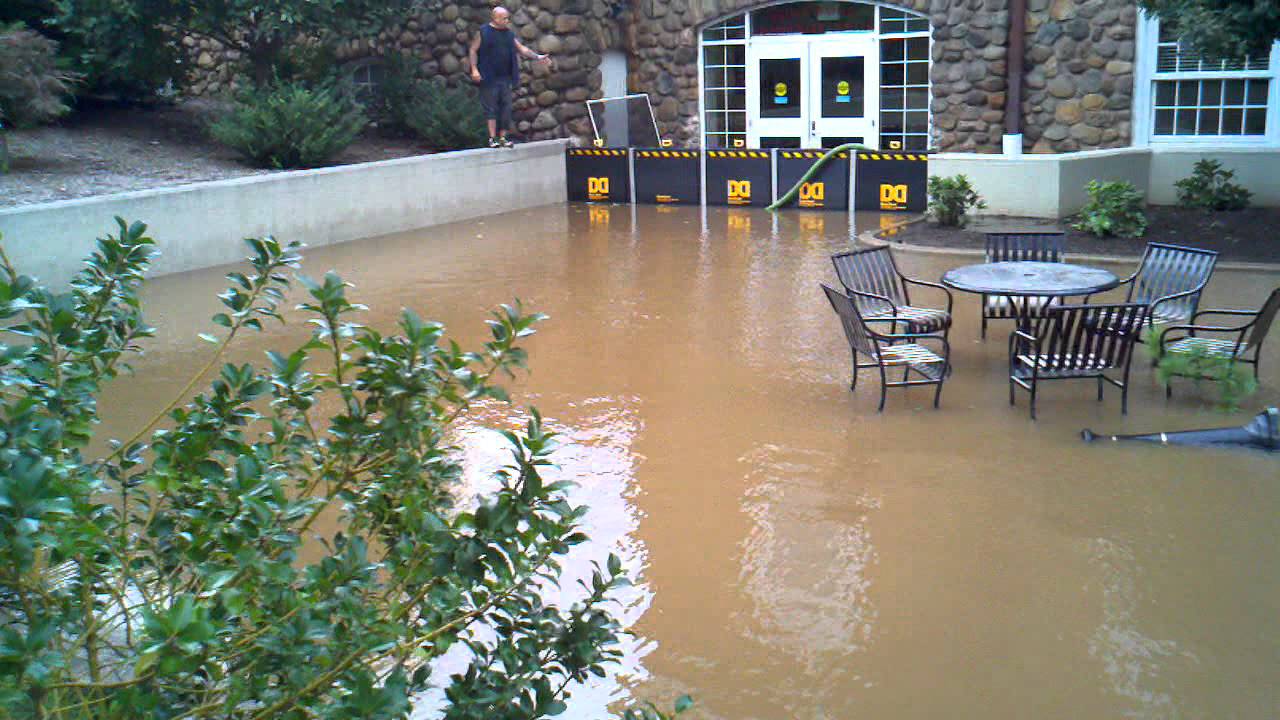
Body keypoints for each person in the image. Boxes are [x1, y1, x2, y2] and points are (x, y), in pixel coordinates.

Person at [469, 7, 552, 148]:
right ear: (495, 18)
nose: (507, 21)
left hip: (505, 77)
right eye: (504, 18)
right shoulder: (483, 32)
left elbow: (522, 49)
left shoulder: (508, 34)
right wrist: (474, 69)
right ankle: (492, 138)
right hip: (488, 77)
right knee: (491, 108)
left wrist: (538, 57)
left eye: (508, 18)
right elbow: (473, 50)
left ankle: (503, 138)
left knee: (506, 108)